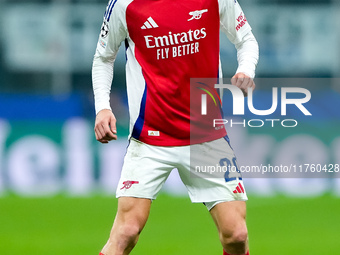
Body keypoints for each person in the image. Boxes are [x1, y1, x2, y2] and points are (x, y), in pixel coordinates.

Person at [92, 0, 259, 254]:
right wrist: (102, 106)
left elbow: (246, 39)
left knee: (236, 234)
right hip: (150, 139)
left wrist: (246, 69)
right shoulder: (125, 4)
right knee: (126, 232)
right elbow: (103, 57)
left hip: (206, 136)